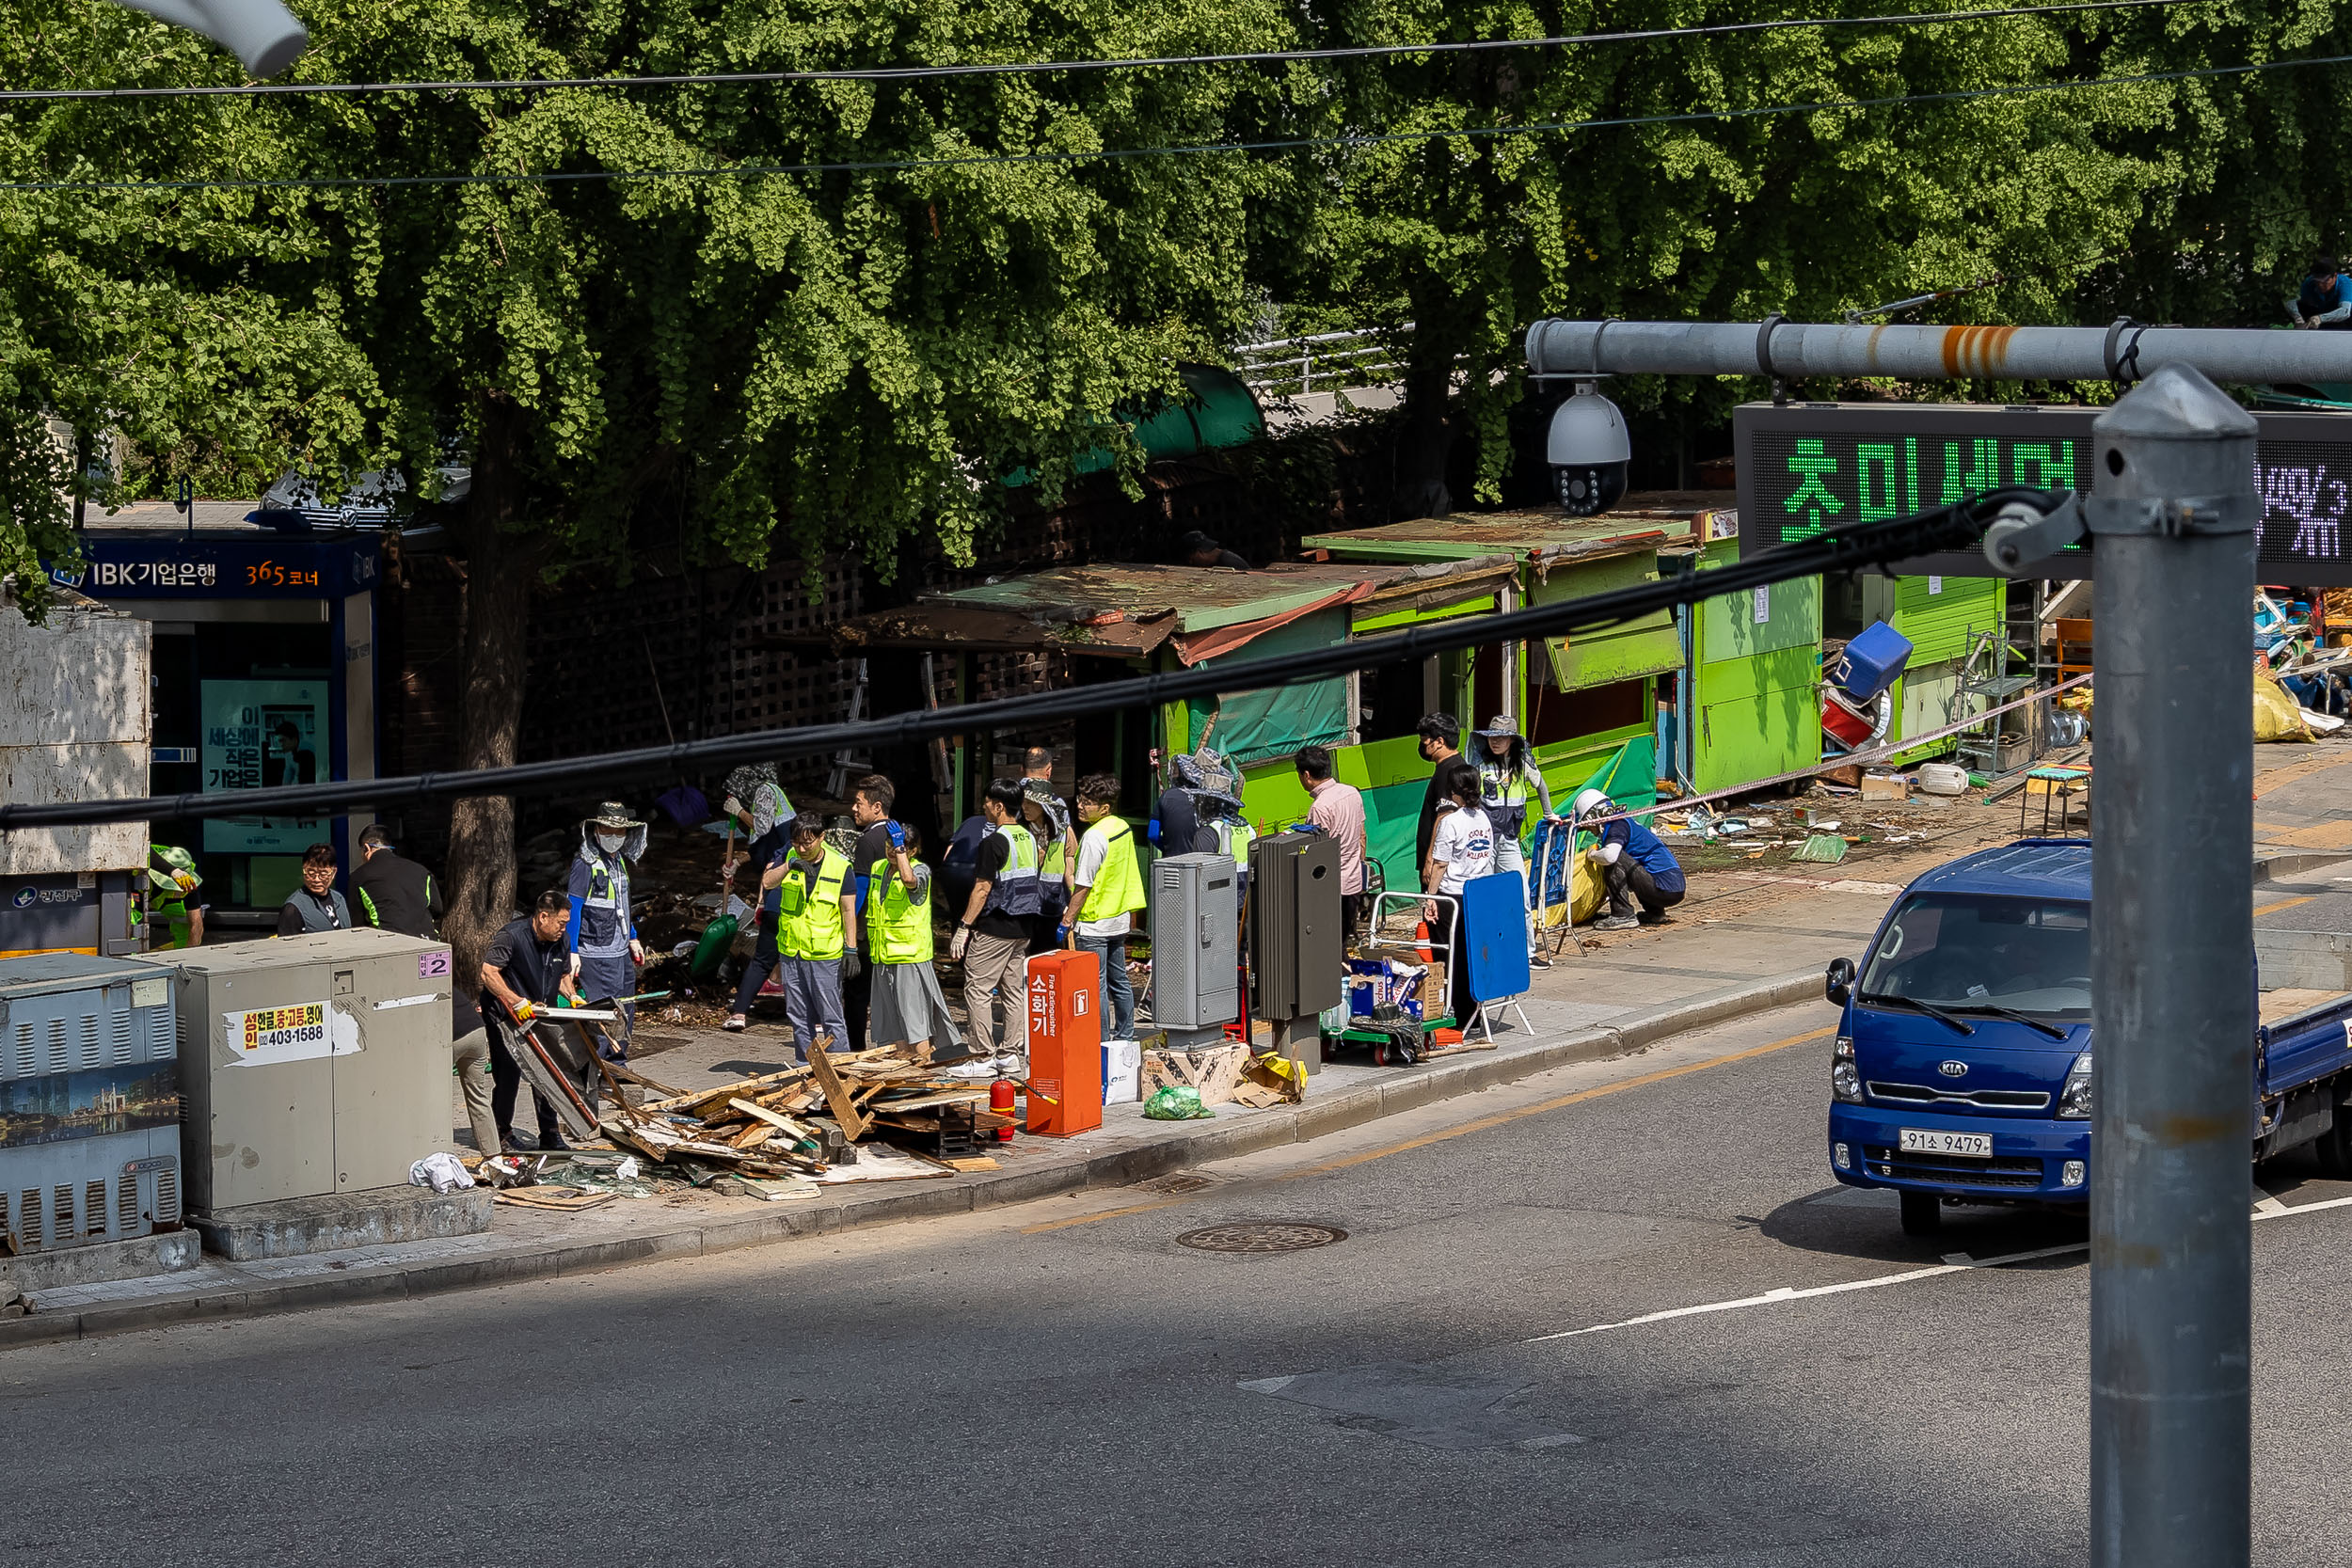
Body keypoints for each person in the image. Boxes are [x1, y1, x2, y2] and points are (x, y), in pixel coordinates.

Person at [481, 889, 585, 1152]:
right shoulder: (512, 936)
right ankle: (502, 1133)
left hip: (540, 1014)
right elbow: (489, 973)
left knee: (549, 1071)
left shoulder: (561, 940)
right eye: (561, 922)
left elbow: (562, 975)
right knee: (509, 1075)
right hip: (505, 1014)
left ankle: (549, 1133)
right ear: (542, 917)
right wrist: (514, 999)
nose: (564, 928)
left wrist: (572, 996)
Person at [949, 780, 1038, 1078]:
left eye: (987, 802)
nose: (984, 807)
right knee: (1014, 993)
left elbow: (982, 888)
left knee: (978, 990)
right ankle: (1011, 1054)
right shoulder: (1027, 837)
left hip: (995, 927)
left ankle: (982, 1055)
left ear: (999, 806)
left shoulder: (993, 843)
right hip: (1023, 928)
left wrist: (964, 926)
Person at [865, 822, 963, 1061]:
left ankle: (923, 1067)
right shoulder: (878, 867)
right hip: (883, 955)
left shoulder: (920, 870)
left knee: (914, 1020)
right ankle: (903, 1070)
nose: (892, 850)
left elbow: (909, 881)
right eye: (889, 844)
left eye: (900, 847)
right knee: (894, 1021)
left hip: (910, 957)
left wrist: (900, 852)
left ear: (913, 851)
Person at [764, 815, 857, 1062]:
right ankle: (805, 1067)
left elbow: (848, 910)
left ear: (821, 837)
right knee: (798, 1015)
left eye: (808, 843)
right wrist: (788, 865)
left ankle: (839, 1070)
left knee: (831, 1015)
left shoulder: (840, 867)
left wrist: (851, 949)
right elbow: (767, 882)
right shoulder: (791, 858)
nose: (802, 848)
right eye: (797, 843)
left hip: (824, 955)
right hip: (792, 951)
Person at [1066, 772, 1146, 1043]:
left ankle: (1099, 1040)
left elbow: (1083, 886)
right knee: (1120, 980)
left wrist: (1067, 920)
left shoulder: (1093, 837)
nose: (1080, 805)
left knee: (1096, 985)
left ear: (1104, 808)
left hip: (1094, 922)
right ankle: (1125, 1035)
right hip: (1119, 919)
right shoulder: (1122, 827)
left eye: (1087, 802)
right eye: (1080, 799)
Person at [1471, 715, 1554, 965]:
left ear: (1512, 740)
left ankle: (1528, 952)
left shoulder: (1522, 764)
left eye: (1501, 737)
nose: (1495, 742)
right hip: (1484, 840)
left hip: (1509, 839)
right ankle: (1485, 953)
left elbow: (1541, 786)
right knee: (1484, 894)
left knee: (1520, 895)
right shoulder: (1480, 764)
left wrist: (1549, 814)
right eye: (1491, 737)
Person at [567, 802, 645, 1058]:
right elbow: (574, 908)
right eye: (608, 829)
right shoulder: (585, 863)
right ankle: (600, 1068)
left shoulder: (618, 861)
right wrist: (572, 950)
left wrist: (632, 937)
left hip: (620, 951)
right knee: (604, 1014)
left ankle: (617, 1062)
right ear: (596, 829)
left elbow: (621, 904)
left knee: (625, 1009)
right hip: (597, 953)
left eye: (619, 831)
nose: (614, 836)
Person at [723, 763, 796, 1031]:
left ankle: (742, 1010)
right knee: (771, 955)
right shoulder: (774, 799)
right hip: (776, 877)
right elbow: (765, 847)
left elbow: (762, 828)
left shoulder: (766, 791)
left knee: (767, 955)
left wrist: (738, 811)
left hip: (782, 885)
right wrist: (738, 863)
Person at [1422, 762, 1496, 1027]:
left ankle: (1453, 1014)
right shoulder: (1484, 818)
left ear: (1454, 792)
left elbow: (1440, 864)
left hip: (1452, 897)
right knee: (1471, 956)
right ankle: (1473, 1014)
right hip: (1477, 895)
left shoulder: (1450, 821)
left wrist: (1430, 897)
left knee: (1449, 956)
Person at [843, 774, 903, 1051]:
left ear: (877, 806)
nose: (854, 809)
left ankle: (856, 1049)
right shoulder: (899, 834)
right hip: (896, 929)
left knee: (856, 994)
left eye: (859, 803)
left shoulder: (867, 842)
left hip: (868, 931)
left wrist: (848, 930)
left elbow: (861, 890)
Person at [1573, 787, 1687, 931]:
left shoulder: (1616, 825)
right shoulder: (1625, 822)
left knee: (1614, 858)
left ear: (1592, 817)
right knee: (1637, 862)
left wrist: (1593, 855)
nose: (1590, 831)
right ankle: (1655, 913)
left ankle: (1622, 915)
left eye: (1588, 826)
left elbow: (1610, 856)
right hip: (1673, 887)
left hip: (1664, 887)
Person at [1297, 745, 1368, 939]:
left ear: (1306, 775)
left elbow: (1316, 852)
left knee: (1326, 943)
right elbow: (1362, 835)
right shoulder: (1352, 793)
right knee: (1342, 939)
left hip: (1330, 887)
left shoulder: (1320, 807)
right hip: (1353, 881)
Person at [350, 823, 444, 938]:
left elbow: (357, 924)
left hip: (391, 944)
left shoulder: (359, 876)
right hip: (428, 942)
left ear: (366, 848)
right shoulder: (421, 871)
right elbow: (437, 908)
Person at [448, 983, 503, 1156]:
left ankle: (436, 1153)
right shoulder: (449, 985)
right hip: (477, 1033)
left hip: (454, 1036)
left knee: (434, 1096)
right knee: (478, 1097)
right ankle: (493, 1156)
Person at [1022, 780, 1074, 950]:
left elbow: (1069, 868)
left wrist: (1073, 905)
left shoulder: (1063, 832)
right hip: (1023, 904)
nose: (1025, 807)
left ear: (1044, 806)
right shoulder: (1020, 830)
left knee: (1047, 953)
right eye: (1023, 802)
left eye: (1030, 803)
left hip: (1052, 904)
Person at [1414, 712, 1462, 874]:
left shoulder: (1449, 771)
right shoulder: (1451, 767)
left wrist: (1430, 861)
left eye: (1424, 742)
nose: (1422, 747)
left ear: (1440, 742)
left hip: (1439, 865)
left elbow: (1444, 816)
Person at [276, 843, 350, 935]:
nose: (316, 879)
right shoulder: (293, 908)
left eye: (323, 874)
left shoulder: (339, 899)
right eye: (311, 873)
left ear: (333, 872)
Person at [143, 844, 206, 949]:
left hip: (164, 901)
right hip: (138, 897)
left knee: (191, 933)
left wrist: (190, 954)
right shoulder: (142, 864)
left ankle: (164, 954)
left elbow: (196, 924)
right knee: (129, 923)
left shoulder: (188, 883)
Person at [2301, 258, 2352, 329]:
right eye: (2317, 282)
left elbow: (2345, 312)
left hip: (2345, 319)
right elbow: (2303, 305)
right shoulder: (2308, 283)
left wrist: (2320, 318)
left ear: (2335, 276)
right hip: (2322, 314)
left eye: (2325, 282)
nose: (2321, 285)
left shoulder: (2345, 283)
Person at [1179, 531, 1249, 570]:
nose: (1191, 563)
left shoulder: (1228, 563)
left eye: (1191, 559)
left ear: (1200, 551)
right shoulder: (1223, 558)